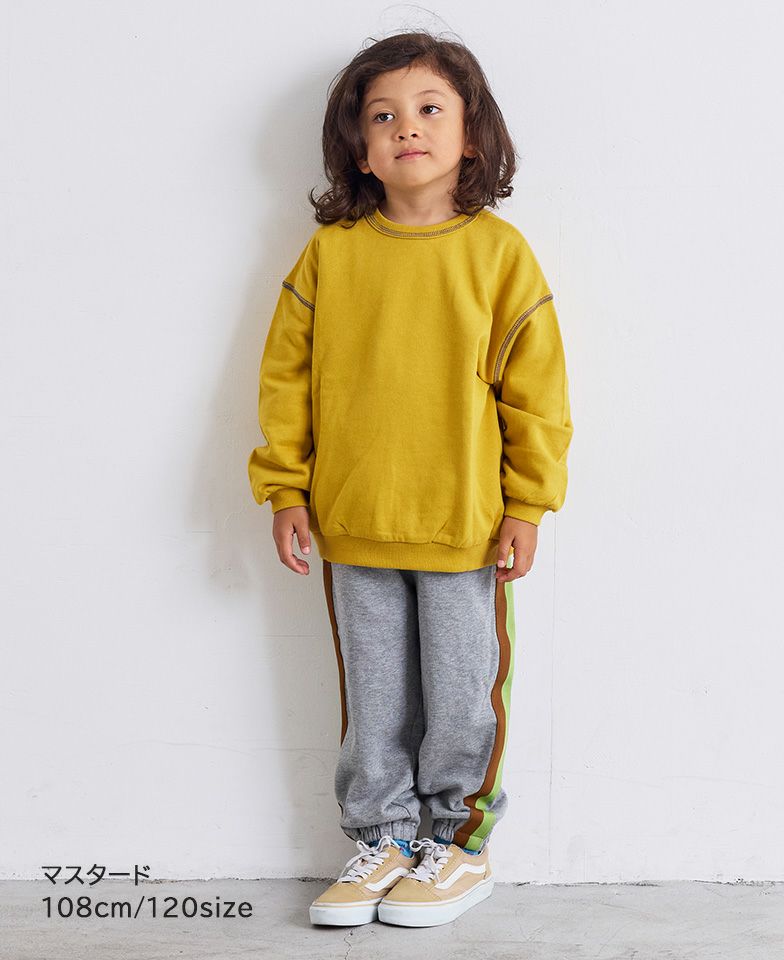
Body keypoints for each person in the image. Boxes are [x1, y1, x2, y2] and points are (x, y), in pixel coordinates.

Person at [247, 30, 574, 928]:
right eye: (383, 116)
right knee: (376, 702)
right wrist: (285, 488)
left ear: (472, 136)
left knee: (464, 701)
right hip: (354, 522)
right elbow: (286, 380)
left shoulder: (501, 255)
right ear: (360, 148)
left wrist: (528, 505)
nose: (407, 128)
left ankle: (459, 848)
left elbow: (538, 396)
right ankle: (384, 840)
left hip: (466, 529)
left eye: (430, 109)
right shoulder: (331, 254)